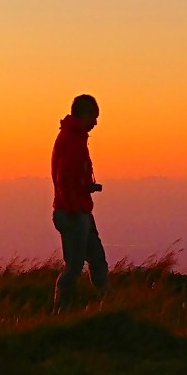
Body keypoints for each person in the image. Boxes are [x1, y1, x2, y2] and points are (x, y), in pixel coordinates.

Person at [51, 94, 107, 307]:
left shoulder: (73, 137)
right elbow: (63, 179)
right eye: (93, 117)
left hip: (79, 210)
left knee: (97, 261)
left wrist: (86, 188)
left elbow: (70, 178)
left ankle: (107, 303)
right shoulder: (71, 140)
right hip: (73, 212)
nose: (95, 123)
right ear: (84, 115)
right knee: (75, 266)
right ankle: (60, 311)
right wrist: (75, 208)